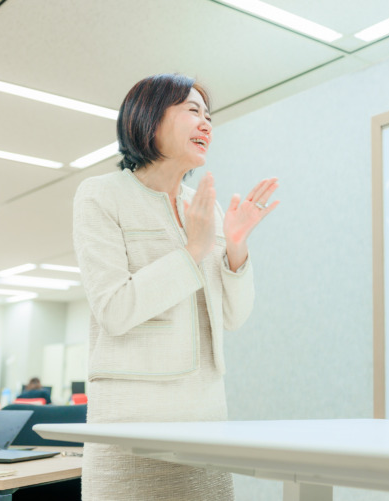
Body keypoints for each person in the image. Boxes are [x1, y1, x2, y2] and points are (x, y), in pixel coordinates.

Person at [73, 73, 279, 500]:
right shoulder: (100, 195)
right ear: (148, 118)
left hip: (205, 414)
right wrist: (193, 250)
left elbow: (232, 318)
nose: (206, 123)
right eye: (192, 110)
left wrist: (235, 248)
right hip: (131, 420)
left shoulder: (204, 206)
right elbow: (114, 309)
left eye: (209, 115)